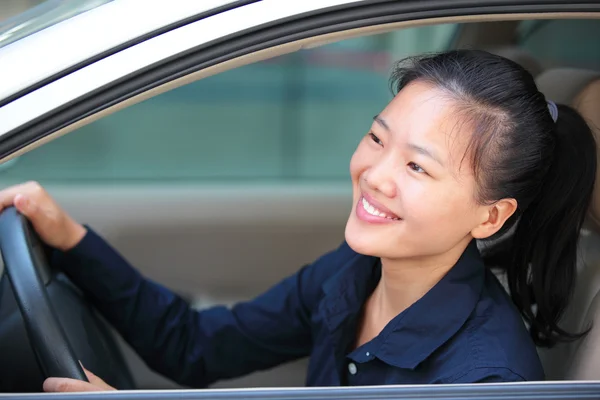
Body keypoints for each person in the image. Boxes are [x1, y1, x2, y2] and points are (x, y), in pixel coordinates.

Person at [0, 49, 596, 392]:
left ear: (490, 216)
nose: (374, 174)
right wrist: (70, 239)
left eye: (417, 167)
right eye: (375, 138)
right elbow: (195, 347)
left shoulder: (484, 380)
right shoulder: (355, 272)